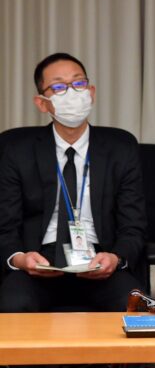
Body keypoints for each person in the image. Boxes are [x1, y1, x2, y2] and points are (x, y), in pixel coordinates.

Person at [0, 52, 146, 312]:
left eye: (78, 83)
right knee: (13, 304)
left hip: (99, 262)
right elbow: (5, 226)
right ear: (42, 103)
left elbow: (133, 226)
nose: (71, 92)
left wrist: (116, 258)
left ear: (91, 92)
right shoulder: (17, 151)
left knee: (133, 305)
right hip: (39, 264)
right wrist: (20, 259)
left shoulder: (120, 148)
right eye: (59, 87)